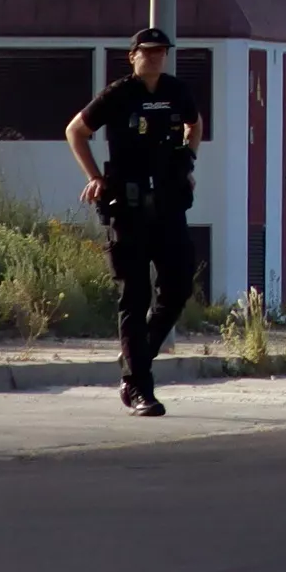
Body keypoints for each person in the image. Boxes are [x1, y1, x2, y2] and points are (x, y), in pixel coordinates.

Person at [67, 26, 204, 417]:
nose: (156, 57)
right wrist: (95, 177)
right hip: (126, 206)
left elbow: (195, 125)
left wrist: (187, 160)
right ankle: (141, 388)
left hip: (168, 203)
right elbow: (75, 131)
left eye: (161, 51)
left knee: (177, 286)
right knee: (135, 295)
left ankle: (134, 361)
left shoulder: (177, 91)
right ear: (133, 56)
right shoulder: (119, 94)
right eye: (148, 51)